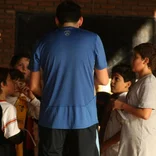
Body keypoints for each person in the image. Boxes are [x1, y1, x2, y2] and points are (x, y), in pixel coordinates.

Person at [29, 1, 109, 156]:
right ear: (80, 20)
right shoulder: (93, 39)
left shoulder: (42, 42)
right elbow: (104, 80)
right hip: (85, 118)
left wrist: (53, 97)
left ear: (57, 20)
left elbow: (33, 86)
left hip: (51, 117)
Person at [113, 43, 156, 156]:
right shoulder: (140, 82)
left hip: (140, 144)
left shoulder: (149, 83)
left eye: (135, 57)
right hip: (131, 140)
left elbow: (145, 113)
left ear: (145, 60)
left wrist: (122, 105)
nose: (132, 60)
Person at [100, 64, 136, 156]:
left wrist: (104, 145)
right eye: (112, 78)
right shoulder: (114, 98)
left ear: (128, 84)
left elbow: (126, 129)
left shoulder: (123, 101)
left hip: (116, 151)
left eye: (117, 79)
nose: (112, 82)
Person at [9, 54, 40, 156]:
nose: (23, 70)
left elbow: (41, 115)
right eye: (20, 65)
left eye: (27, 67)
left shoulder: (31, 93)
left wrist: (32, 99)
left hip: (26, 144)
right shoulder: (4, 96)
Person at [0, 67, 24, 156]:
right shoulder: (8, 108)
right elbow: (14, 136)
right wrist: (22, 133)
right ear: (2, 84)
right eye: (10, 79)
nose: (13, 83)